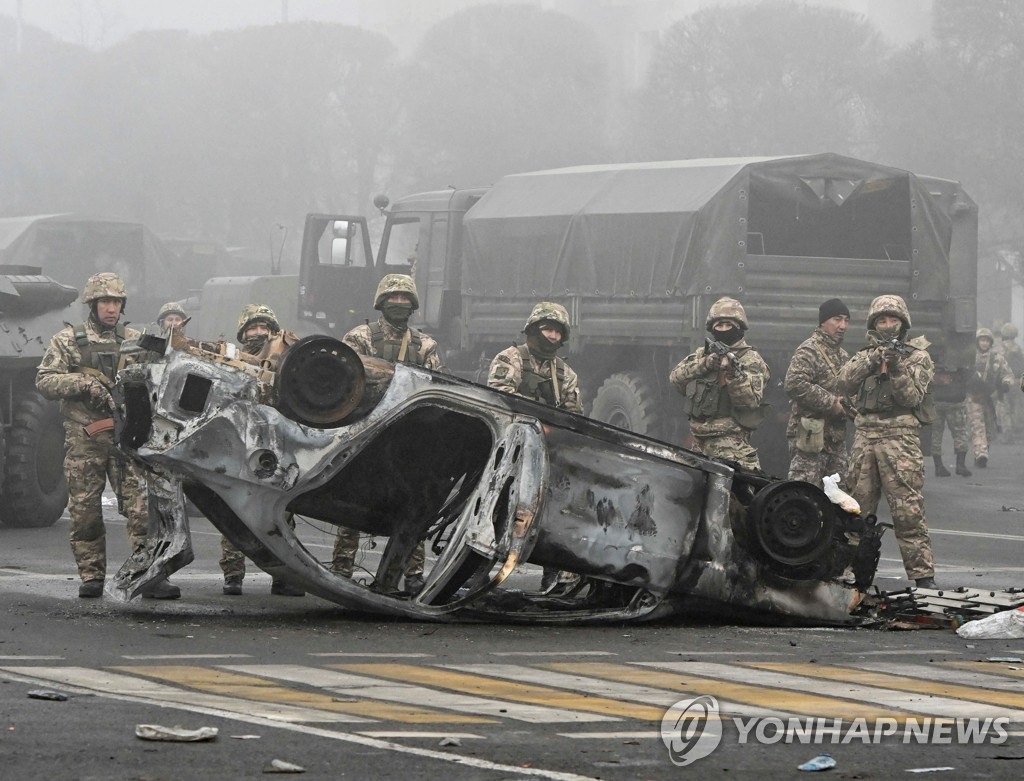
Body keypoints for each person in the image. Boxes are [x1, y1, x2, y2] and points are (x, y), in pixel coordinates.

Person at [36, 272, 180, 599]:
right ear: (92, 304)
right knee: (86, 513)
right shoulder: (68, 340)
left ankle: (149, 576)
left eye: (116, 302)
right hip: (84, 440)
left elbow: (162, 375)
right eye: (105, 301)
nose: (111, 308)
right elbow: (44, 382)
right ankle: (91, 576)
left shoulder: (134, 340)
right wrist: (84, 384)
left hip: (126, 438)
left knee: (143, 512)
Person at [330, 274, 443, 593]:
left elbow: (437, 389)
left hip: (409, 438)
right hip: (366, 432)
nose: (399, 304)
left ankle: (413, 573)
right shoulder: (360, 337)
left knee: (414, 505)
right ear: (381, 302)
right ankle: (341, 570)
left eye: (404, 299)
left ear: (413, 305)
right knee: (352, 503)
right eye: (392, 298)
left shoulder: (425, 345)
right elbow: (345, 381)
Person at [837, 294, 939, 589]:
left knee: (908, 510)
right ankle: (852, 574)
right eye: (882, 320)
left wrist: (895, 367)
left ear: (903, 323)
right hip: (865, 438)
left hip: (900, 439)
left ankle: (922, 576)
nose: (887, 325)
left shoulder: (918, 357)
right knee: (856, 510)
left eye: (893, 319)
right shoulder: (864, 355)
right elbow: (842, 383)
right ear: (873, 324)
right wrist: (872, 360)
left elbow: (910, 397)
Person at [488, 301, 582, 590]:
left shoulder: (565, 374)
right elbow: (498, 397)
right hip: (509, 452)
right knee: (496, 513)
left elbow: (574, 414)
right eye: (547, 329)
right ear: (533, 329)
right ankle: (477, 572)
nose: (552, 336)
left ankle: (553, 579)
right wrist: (538, 412)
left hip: (546, 453)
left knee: (550, 516)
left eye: (557, 332)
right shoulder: (510, 359)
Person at [220, 304, 305, 597]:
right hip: (240, 443)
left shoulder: (286, 360)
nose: (258, 333)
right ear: (243, 333)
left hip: (277, 445)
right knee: (234, 508)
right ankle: (233, 574)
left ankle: (285, 576)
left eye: (264, 328)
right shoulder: (228, 360)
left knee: (282, 511)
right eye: (252, 328)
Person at [669, 297, 770, 471]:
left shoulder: (750, 360)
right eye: (719, 326)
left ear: (738, 327)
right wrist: (704, 365)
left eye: (728, 325)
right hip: (697, 445)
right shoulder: (703, 354)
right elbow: (676, 379)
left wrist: (732, 375)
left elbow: (750, 401)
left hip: (731, 447)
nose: (723, 330)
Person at [784, 298, 852, 488]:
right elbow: (794, 384)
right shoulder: (809, 351)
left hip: (835, 439)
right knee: (804, 495)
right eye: (837, 319)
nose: (843, 326)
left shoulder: (843, 356)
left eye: (846, 320)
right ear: (823, 322)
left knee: (839, 498)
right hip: (810, 436)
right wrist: (831, 403)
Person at [965, 327, 1014, 468]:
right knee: (977, 425)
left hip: (991, 398)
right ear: (977, 341)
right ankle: (981, 453)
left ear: (990, 342)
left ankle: (983, 451)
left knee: (989, 429)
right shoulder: (970, 357)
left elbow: (1007, 374)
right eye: (982, 340)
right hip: (974, 396)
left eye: (987, 341)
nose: (984, 343)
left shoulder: (997, 358)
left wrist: (1006, 384)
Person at [997, 322, 1024, 442]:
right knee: (1015, 407)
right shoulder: (1018, 349)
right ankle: (1016, 430)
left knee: (1004, 407)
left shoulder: (1001, 349)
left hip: (1005, 382)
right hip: (1017, 382)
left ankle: (1007, 433)